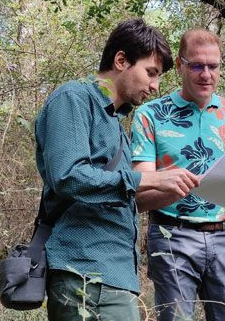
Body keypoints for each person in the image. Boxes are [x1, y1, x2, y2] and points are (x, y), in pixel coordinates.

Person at [34, 19, 200, 321]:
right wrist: (148, 177)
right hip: (85, 272)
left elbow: (116, 195)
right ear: (121, 60)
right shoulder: (73, 98)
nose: (155, 86)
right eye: (151, 73)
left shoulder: (116, 125)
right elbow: (68, 177)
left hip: (114, 276)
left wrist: (166, 191)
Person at [131, 29, 225, 320]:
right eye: (197, 65)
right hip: (171, 235)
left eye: (213, 66)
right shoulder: (150, 115)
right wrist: (173, 184)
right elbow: (139, 193)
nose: (206, 74)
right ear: (179, 65)